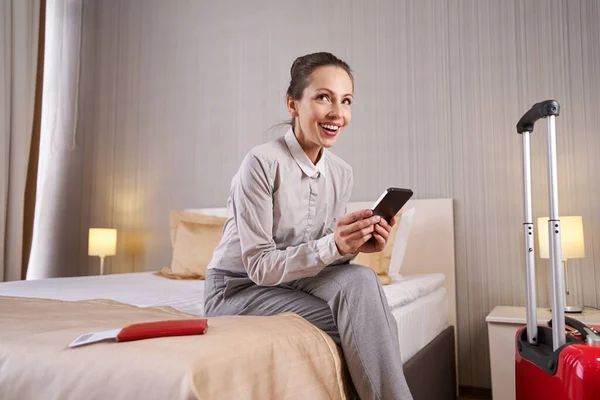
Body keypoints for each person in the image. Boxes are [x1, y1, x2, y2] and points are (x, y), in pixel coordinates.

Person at [204, 52, 414, 400]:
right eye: (323, 97)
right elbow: (259, 267)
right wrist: (334, 245)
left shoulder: (341, 172)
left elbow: (316, 256)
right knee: (373, 324)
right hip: (238, 290)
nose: (338, 113)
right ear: (293, 105)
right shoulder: (261, 162)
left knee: (362, 282)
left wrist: (353, 246)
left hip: (294, 284)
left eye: (346, 101)